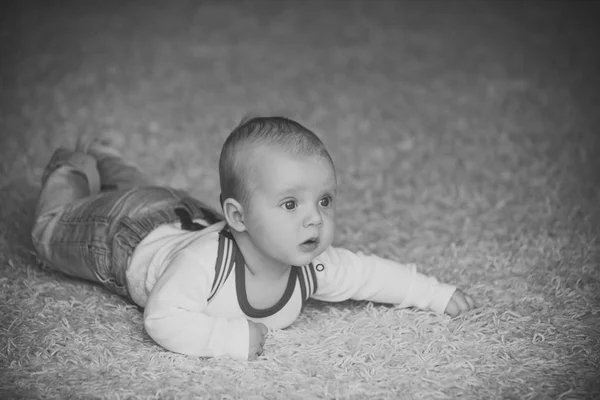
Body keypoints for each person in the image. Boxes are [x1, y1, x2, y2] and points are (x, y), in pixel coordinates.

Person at [31, 116, 475, 361]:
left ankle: (109, 157)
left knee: (149, 189)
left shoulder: (312, 263)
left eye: (324, 201)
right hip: (124, 235)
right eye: (290, 204)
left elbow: (369, 275)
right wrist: (227, 340)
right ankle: (71, 166)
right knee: (49, 232)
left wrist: (431, 293)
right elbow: (163, 319)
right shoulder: (206, 265)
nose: (314, 221)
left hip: (188, 213)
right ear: (239, 217)